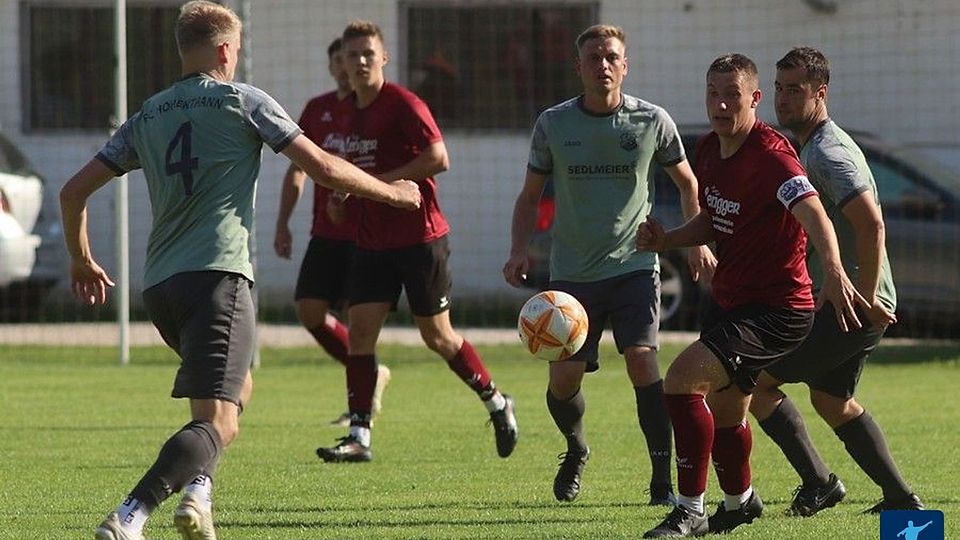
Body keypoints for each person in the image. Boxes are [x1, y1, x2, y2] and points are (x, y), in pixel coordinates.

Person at [60, 3, 420, 539]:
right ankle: (129, 517)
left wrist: (81, 258)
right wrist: (392, 192)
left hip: (160, 288)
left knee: (234, 390)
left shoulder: (148, 114)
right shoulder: (243, 101)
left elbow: (73, 192)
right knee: (220, 422)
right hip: (218, 280)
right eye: (239, 48)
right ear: (226, 50)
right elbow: (319, 165)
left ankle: (199, 497)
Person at [636, 53, 879, 538]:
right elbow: (713, 219)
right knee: (729, 411)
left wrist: (832, 267)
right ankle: (741, 502)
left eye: (732, 95)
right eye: (713, 93)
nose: (721, 104)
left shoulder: (771, 156)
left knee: (682, 381)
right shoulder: (707, 150)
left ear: (754, 98)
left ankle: (689, 507)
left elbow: (816, 214)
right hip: (733, 300)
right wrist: (670, 239)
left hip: (777, 309)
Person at [503, 24, 715, 505]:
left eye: (611, 56)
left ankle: (662, 477)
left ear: (625, 65)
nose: (602, 64)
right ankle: (576, 447)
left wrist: (697, 239)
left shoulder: (652, 121)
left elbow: (687, 183)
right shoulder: (553, 124)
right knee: (563, 381)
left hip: (635, 266)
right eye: (593, 57)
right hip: (571, 276)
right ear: (578, 67)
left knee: (641, 359)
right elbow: (530, 195)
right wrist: (518, 249)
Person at [315, 20, 518, 463]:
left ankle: (497, 401)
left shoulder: (403, 104)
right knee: (361, 334)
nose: (362, 61)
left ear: (384, 57)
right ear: (343, 64)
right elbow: (356, 173)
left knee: (438, 337)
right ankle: (359, 436)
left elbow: (438, 158)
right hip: (372, 241)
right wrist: (342, 202)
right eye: (353, 55)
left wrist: (378, 184)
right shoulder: (350, 112)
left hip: (419, 239)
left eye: (369, 53)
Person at [747, 46, 923, 517]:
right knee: (832, 400)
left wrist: (864, 298)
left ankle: (820, 484)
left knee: (752, 382)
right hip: (848, 300)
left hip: (849, 304)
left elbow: (871, 224)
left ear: (820, 93)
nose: (782, 100)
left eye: (795, 91)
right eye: (779, 89)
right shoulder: (810, 145)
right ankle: (902, 502)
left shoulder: (827, 153)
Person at [273, 37, 391, 428]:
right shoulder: (318, 110)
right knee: (309, 311)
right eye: (338, 60)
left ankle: (360, 404)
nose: (346, 66)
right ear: (331, 67)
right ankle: (373, 375)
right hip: (325, 231)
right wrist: (282, 223)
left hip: (364, 232)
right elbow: (297, 170)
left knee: (359, 325)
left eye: (352, 58)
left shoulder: (372, 108)